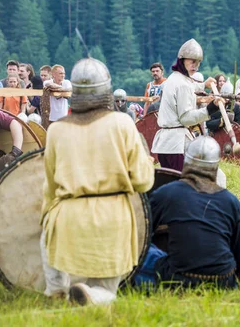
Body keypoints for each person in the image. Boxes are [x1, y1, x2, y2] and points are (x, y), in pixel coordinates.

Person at [40, 57, 154, 305]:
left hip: (69, 217)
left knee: (49, 230)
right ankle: (92, 295)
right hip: (112, 217)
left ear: (75, 93)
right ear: (107, 91)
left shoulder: (57, 130)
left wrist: (46, 219)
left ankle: (57, 290)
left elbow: (49, 186)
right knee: (107, 290)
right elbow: (144, 182)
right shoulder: (122, 123)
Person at [148, 136, 240, 288]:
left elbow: (143, 234)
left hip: (179, 279)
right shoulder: (231, 200)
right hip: (224, 281)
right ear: (215, 167)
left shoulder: (167, 193)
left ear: (187, 162)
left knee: (148, 255)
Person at [151, 39, 223, 171]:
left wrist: (203, 85)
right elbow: (186, 118)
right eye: (192, 61)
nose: (195, 65)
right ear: (182, 60)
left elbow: (187, 85)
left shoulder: (173, 78)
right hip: (176, 145)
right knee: (183, 186)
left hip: (165, 145)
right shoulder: (182, 84)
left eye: (198, 62)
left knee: (171, 185)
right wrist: (210, 109)